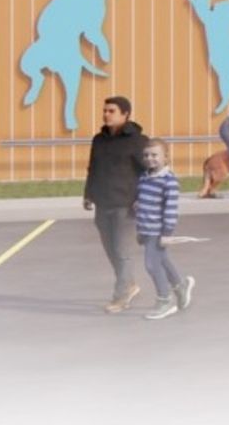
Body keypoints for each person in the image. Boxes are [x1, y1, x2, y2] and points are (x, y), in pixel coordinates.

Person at [83, 95, 148, 313]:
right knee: (111, 250)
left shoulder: (138, 141)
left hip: (126, 205)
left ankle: (121, 297)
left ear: (125, 114)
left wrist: (142, 198)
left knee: (122, 251)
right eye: (105, 110)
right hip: (103, 203)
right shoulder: (98, 140)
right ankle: (129, 284)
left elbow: (148, 171)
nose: (106, 114)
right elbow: (93, 168)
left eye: (111, 111)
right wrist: (88, 193)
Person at [134, 138, 194, 321]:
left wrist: (166, 234)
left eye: (155, 155)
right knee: (162, 260)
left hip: (159, 231)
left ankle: (165, 300)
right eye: (146, 155)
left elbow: (170, 210)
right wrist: (140, 230)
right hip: (146, 229)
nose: (149, 158)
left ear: (166, 157)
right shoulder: (144, 177)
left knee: (152, 265)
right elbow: (142, 205)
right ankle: (180, 286)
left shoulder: (169, 181)